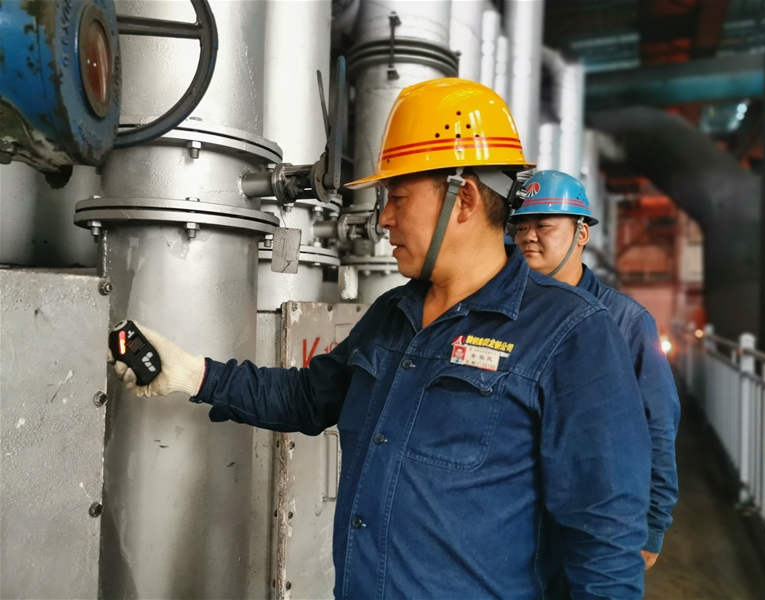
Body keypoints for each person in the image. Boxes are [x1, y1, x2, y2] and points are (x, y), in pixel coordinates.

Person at [110, 80, 651, 598]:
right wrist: (193, 374)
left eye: (398, 197)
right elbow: (308, 397)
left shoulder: (571, 333)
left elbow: (603, 541)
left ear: (463, 199)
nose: (383, 219)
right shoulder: (393, 314)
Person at [511, 169, 681, 570]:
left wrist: (652, 525)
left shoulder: (626, 321)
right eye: (521, 226)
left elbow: (657, 425)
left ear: (581, 233)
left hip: (591, 516)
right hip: (514, 518)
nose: (528, 236)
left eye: (543, 225)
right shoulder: (506, 315)